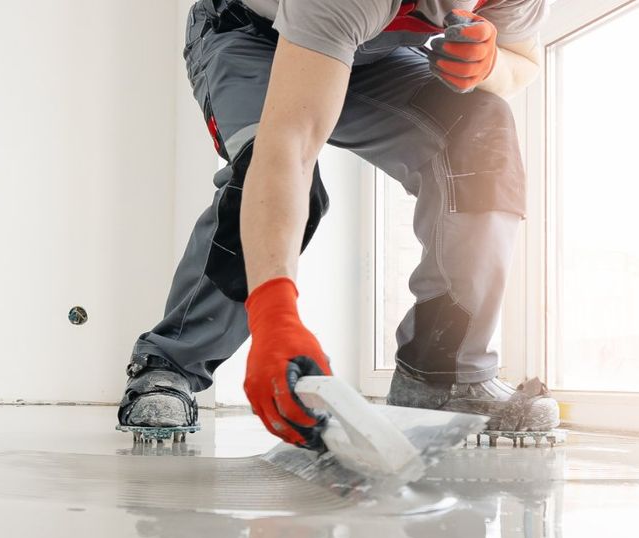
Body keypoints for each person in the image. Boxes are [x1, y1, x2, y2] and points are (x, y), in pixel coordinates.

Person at [120, 0, 558, 447]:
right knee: (266, 179)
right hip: (252, 36)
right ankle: (171, 363)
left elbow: (523, 60)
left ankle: (445, 375)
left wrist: (489, 65)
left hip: (371, 54)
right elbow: (289, 147)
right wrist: (275, 316)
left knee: (479, 132)